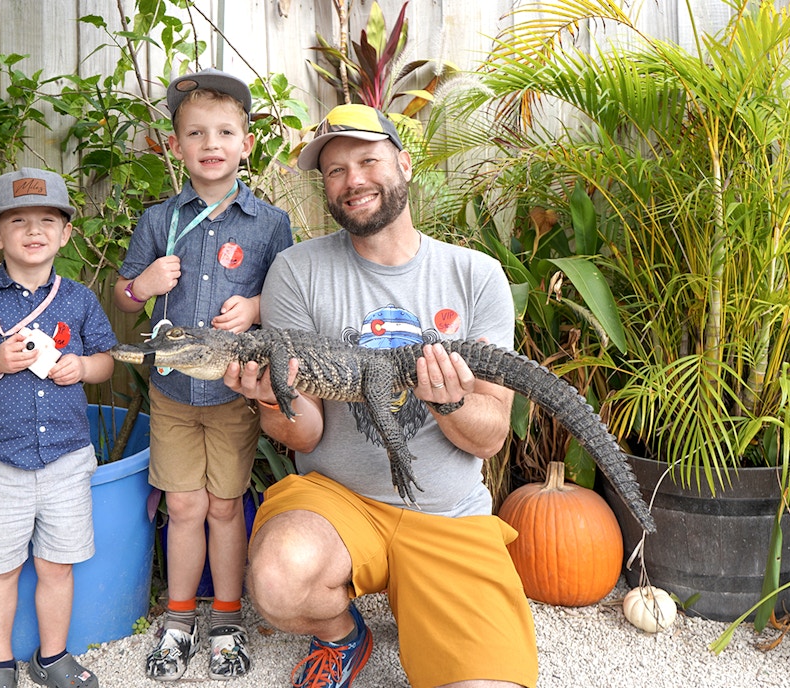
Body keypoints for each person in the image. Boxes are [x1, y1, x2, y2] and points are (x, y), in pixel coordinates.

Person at [223, 104, 539, 688]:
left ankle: (426, 603)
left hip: (447, 516)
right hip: (339, 503)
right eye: (336, 170)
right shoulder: (296, 271)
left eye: (367, 160)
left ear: (404, 163)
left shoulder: (477, 275)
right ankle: (344, 635)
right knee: (277, 579)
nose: (353, 180)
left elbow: (492, 435)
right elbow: (307, 432)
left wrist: (449, 402)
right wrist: (271, 399)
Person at [114, 68, 293, 681]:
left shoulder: (270, 224)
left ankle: (226, 618)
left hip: (233, 394)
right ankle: (179, 616)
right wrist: (143, 285)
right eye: (196, 133)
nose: (210, 143)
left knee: (224, 506)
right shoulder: (158, 220)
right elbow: (125, 298)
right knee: (184, 506)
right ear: (177, 147)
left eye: (224, 132)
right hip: (171, 393)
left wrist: (258, 308)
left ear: (246, 144)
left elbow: (289, 300)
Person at [0, 168, 116, 688]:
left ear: (65, 234)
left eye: (47, 220)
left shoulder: (79, 298)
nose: (33, 231)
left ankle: (52, 656)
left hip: (66, 460)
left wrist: (82, 368)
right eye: (18, 221)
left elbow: (106, 360)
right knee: (0, 569)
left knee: (59, 566)